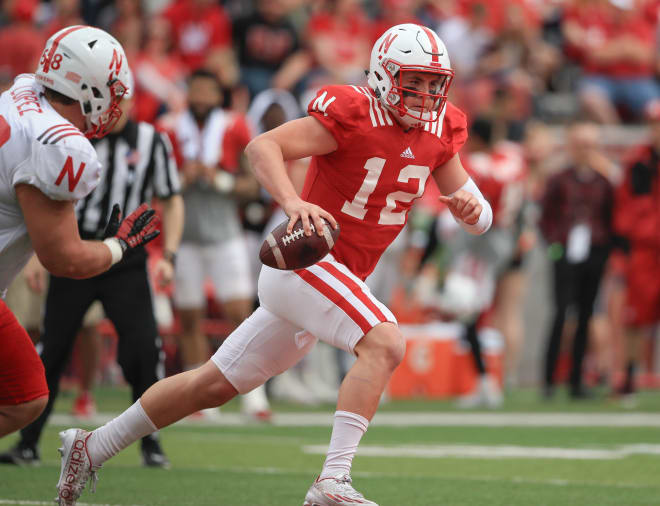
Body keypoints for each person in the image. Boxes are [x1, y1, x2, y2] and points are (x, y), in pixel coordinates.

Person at [54, 24, 492, 506]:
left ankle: (91, 447)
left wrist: (475, 212)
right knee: (385, 341)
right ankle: (332, 481)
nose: (426, 93)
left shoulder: (439, 128)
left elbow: (474, 209)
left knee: (212, 385)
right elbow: (262, 146)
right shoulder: (353, 112)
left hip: (336, 278)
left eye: (435, 82)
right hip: (308, 263)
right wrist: (291, 202)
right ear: (386, 77)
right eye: (415, 81)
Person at [0, 77, 183, 467]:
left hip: (126, 258)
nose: (116, 110)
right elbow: (42, 220)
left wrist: (169, 254)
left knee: (142, 350)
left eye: (124, 101)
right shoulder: (62, 134)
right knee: (53, 348)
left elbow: (171, 197)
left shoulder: (151, 140)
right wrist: (36, 255)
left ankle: (150, 440)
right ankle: (29, 442)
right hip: (76, 245)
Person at [539, 121, 615, 399]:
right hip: (565, 250)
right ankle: (548, 380)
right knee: (560, 313)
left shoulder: (603, 180)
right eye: (581, 145)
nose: (586, 151)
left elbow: (610, 215)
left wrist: (605, 248)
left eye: (590, 145)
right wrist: (554, 244)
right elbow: (546, 215)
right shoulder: (559, 179)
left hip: (594, 250)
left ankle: (575, 381)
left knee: (586, 314)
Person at [612, 101, 660, 403]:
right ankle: (628, 377)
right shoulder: (638, 162)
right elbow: (625, 208)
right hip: (644, 250)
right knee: (634, 317)